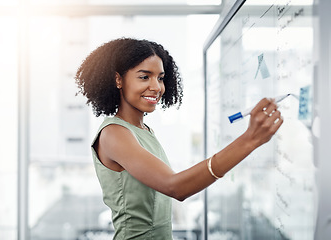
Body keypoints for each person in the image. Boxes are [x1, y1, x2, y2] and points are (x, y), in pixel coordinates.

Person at [75, 37, 283, 240]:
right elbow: (176, 187)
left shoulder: (143, 130)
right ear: (118, 79)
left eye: (161, 78)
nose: (157, 87)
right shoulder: (114, 133)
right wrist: (249, 140)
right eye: (144, 77)